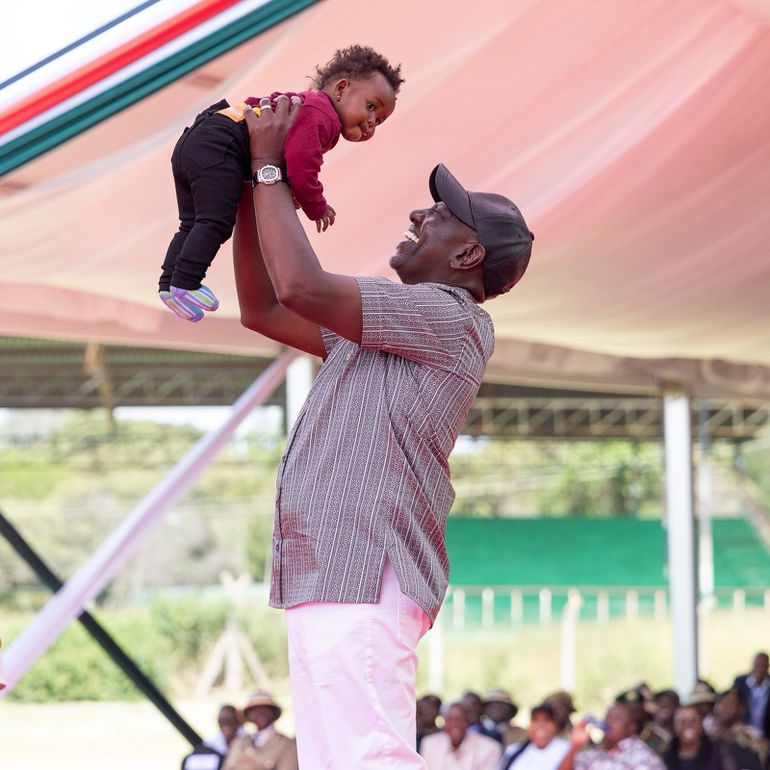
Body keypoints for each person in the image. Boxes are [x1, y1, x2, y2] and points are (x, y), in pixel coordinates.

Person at [232, 96, 533, 769]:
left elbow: (302, 287)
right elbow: (265, 307)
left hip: (366, 573)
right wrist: (250, 188)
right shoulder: (382, 329)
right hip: (330, 575)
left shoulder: (451, 317)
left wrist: (269, 167)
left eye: (441, 215)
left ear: (469, 255)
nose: (418, 214)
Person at [159, 44, 403, 321]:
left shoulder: (310, 107)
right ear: (341, 89)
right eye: (370, 107)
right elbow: (303, 165)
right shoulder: (323, 115)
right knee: (215, 221)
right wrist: (316, 205)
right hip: (220, 143)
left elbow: (289, 158)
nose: (371, 121)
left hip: (196, 139)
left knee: (191, 223)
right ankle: (186, 282)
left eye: (379, 121)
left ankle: (168, 284)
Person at [558, 700, 665, 770]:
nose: (609, 722)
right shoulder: (593, 753)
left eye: (616, 718)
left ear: (631, 726)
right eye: (607, 717)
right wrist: (574, 746)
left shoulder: (642, 755)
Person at [662, 704, 761, 770]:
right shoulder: (666, 753)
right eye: (682, 721)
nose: (688, 725)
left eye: (693, 720)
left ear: (701, 724)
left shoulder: (718, 748)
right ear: (674, 726)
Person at [222, 691, 298, 770]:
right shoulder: (239, 742)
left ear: (273, 712)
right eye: (254, 710)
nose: (260, 713)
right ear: (248, 715)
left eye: (265, 709)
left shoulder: (287, 745)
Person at [420, 702, 503, 770]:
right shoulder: (429, 744)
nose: (454, 725)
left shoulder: (490, 748)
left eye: (459, 720)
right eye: (450, 720)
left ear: (468, 722)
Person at [500, 703, 570, 770]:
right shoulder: (514, 750)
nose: (540, 725)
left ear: (556, 726)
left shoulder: (567, 750)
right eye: (535, 720)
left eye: (547, 720)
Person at [710, 688, 767, 768]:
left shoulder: (753, 736)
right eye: (723, 703)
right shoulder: (708, 733)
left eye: (731, 704)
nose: (725, 708)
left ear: (741, 709)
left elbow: (762, 763)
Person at [733, 652, 770, 740]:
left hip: (767, 736)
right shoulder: (740, 682)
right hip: (743, 735)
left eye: (763, 665)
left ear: (768, 666)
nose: (759, 669)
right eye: (757, 665)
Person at [641, 690, 680, 755]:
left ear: (677, 707)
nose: (664, 706)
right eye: (660, 702)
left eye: (669, 703)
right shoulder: (645, 729)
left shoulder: (679, 732)